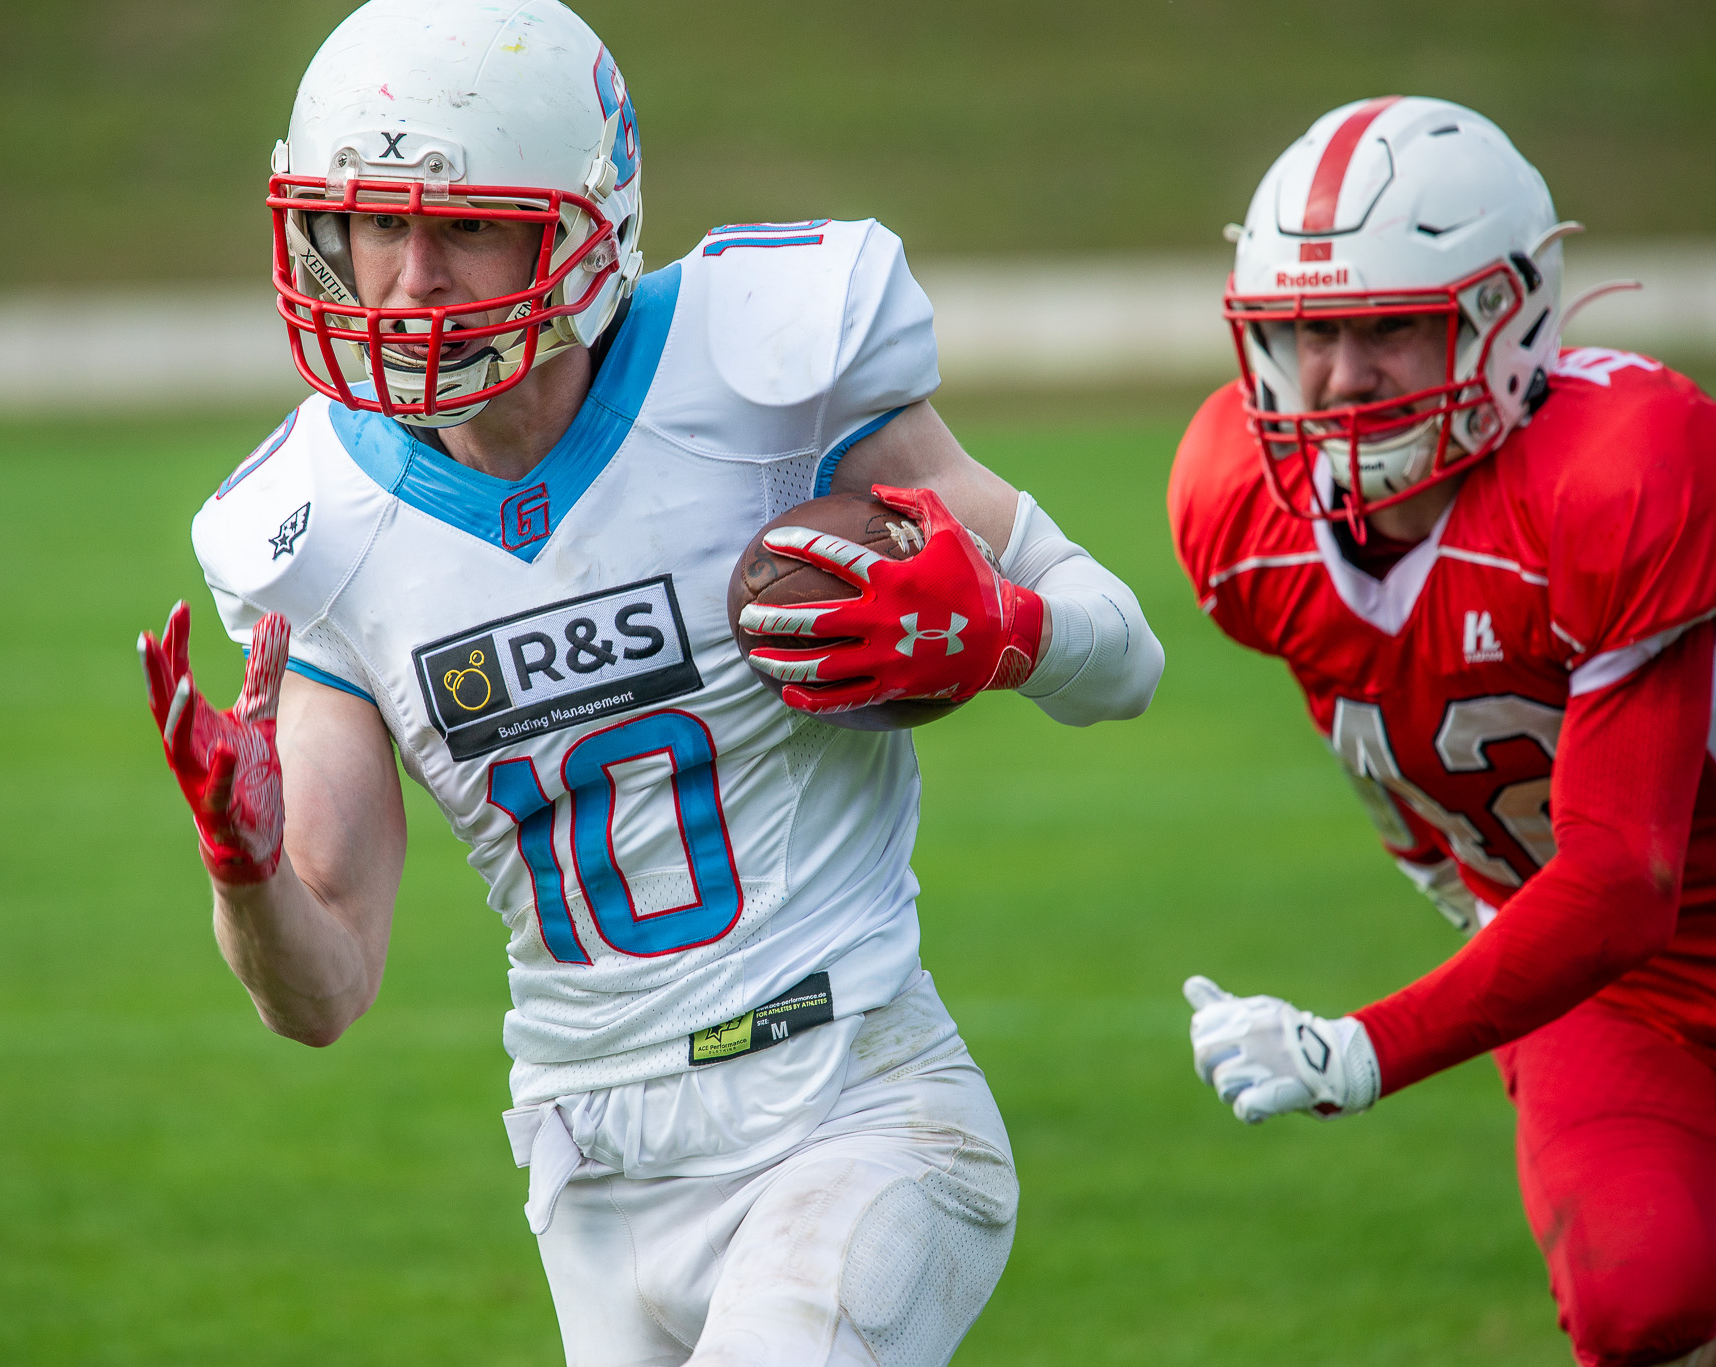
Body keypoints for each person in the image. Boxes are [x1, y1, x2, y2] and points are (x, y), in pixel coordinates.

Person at [136, 3, 1165, 1363]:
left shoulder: (763, 366)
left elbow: (1126, 652)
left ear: (584, 221)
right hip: (591, 1173)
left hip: (850, 1105)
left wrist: (1008, 631)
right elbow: (321, 993)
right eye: (377, 225)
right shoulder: (315, 522)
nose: (407, 282)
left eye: (466, 226)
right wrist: (244, 860)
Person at [1169, 95, 1716, 1367]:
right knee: (1634, 1306)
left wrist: (1360, 1047)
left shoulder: (1627, 466)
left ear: (1504, 319)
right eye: (1309, 329)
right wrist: (1452, 877)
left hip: (1650, 908)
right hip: (1621, 996)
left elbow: (1618, 879)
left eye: (1388, 327)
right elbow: (1363, 705)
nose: (1336, 375)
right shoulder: (1234, 505)